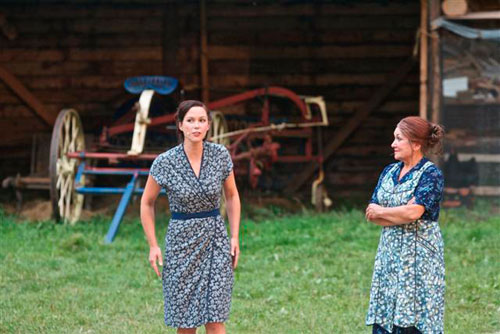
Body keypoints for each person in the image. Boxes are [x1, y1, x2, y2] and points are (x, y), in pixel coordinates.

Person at [140, 100, 241, 334]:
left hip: (215, 238)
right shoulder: (165, 162)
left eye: (202, 120)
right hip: (181, 243)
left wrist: (234, 237)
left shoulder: (220, 156)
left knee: (215, 317)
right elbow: (147, 202)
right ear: (180, 125)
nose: (196, 126)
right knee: (186, 321)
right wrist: (153, 245)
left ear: (208, 126)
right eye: (190, 120)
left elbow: (232, 196)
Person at [365, 116, 446, 334]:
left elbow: (414, 212)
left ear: (416, 144)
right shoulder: (388, 172)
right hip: (389, 256)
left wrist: (388, 211)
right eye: (394, 138)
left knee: (415, 316)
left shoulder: (430, 174)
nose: (393, 144)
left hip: (419, 259)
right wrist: (399, 211)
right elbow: (372, 213)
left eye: (399, 139)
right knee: (385, 312)